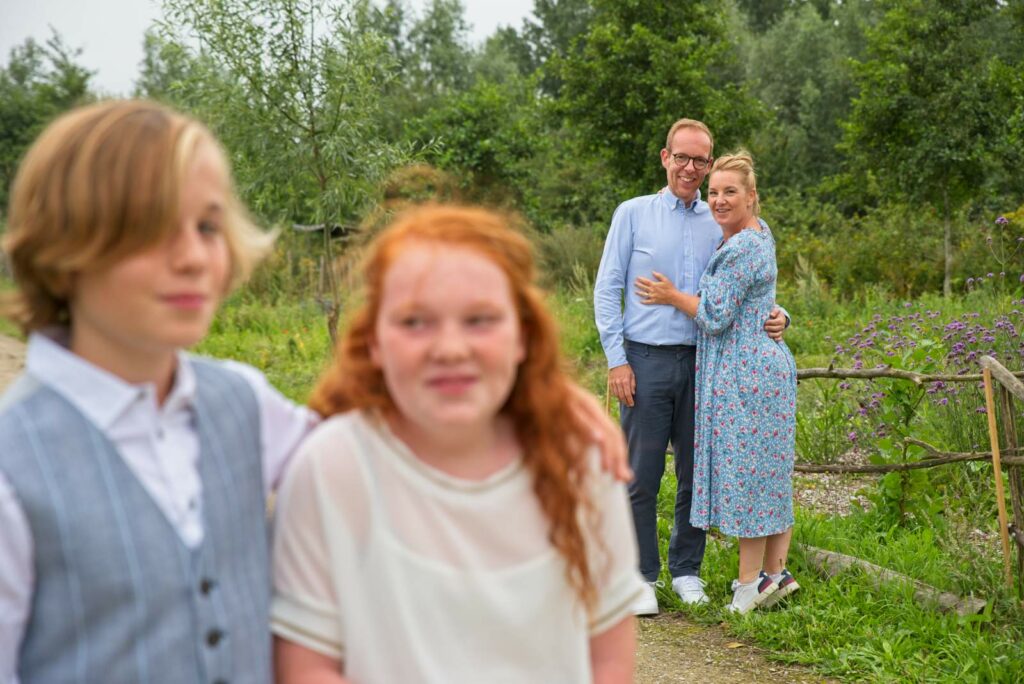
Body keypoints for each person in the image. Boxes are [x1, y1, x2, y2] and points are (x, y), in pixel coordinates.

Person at [0, 102, 629, 682]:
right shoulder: (13, 468)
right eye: (151, 229)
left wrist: (544, 394)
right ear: (64, 246)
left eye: (208, 226)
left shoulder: (239, 402)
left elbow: (401, 423)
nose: (193, 257)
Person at [271, 205, 645, 683]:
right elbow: (308, 665)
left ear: (522, 338)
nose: (450, 349)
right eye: (414, 322)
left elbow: (609, 657)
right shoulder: (333, 467)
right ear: (374, 343)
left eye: (480, 320)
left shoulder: (582, 460)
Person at [594, 118, 788, 616]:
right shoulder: (632, 214)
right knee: (641, 472)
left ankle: (686, 570)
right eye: (682, 157)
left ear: (708, 165)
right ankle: (640, 577)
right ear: (665, 158)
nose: (690, 167)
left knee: (694, 474)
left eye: (700, 160)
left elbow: (751, 284)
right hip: (645, 359)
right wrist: (617, 359)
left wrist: (781, 315)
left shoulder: (718, 218)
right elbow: (606, 289)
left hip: (706, 366)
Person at [635, 152, 798, 614]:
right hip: (762, 367)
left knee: (749, 475)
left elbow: (714, 314)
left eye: (730, 192)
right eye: (715, 192)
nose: (719, 200)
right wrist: (781, 314)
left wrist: (669, 296)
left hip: (746, 372)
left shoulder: (742, 245)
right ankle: (774, 574)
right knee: (770, 473)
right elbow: (759, 298)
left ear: (752, 197)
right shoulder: (758, 235)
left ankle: (748, 587)